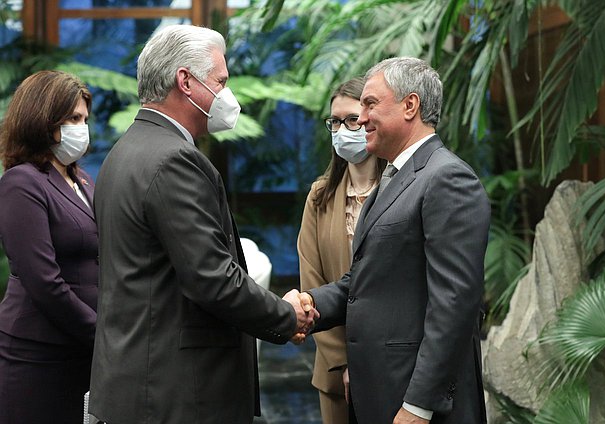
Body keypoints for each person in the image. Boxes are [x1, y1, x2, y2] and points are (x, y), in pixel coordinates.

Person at [88, 24, 316, 424]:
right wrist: (285, 314)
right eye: (221, 80)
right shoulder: (174, 160)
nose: (228, 94)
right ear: (186, 81)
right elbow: (212, 278)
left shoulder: (125, 151)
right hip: (175, 394)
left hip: (139, 384)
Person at [299, 57, 490, 424]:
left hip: (415, 406)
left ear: (410, 106)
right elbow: (364, 283)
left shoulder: (446, 179)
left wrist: (419, 405)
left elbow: (453, 306)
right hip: (378, 396)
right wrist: (309, 303)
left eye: (370, 104)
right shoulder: (394, 177)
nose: (362, 117)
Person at [0, 70, 97, 423]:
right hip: (38, 354)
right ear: (43, 119)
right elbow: (43, 281)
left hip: (80, 352)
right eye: (72, 118)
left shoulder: (81, 179)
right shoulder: (22, 182)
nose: (81, 128)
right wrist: (101, 331)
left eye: (84, 118)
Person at [297, 77, 386, 424]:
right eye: (334, 122)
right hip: (335, 369)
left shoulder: (401, 190)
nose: (342, 129)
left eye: (351, 120)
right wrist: (344, 361)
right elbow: (312, 281)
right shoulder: (320, 197)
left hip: (390, 363)